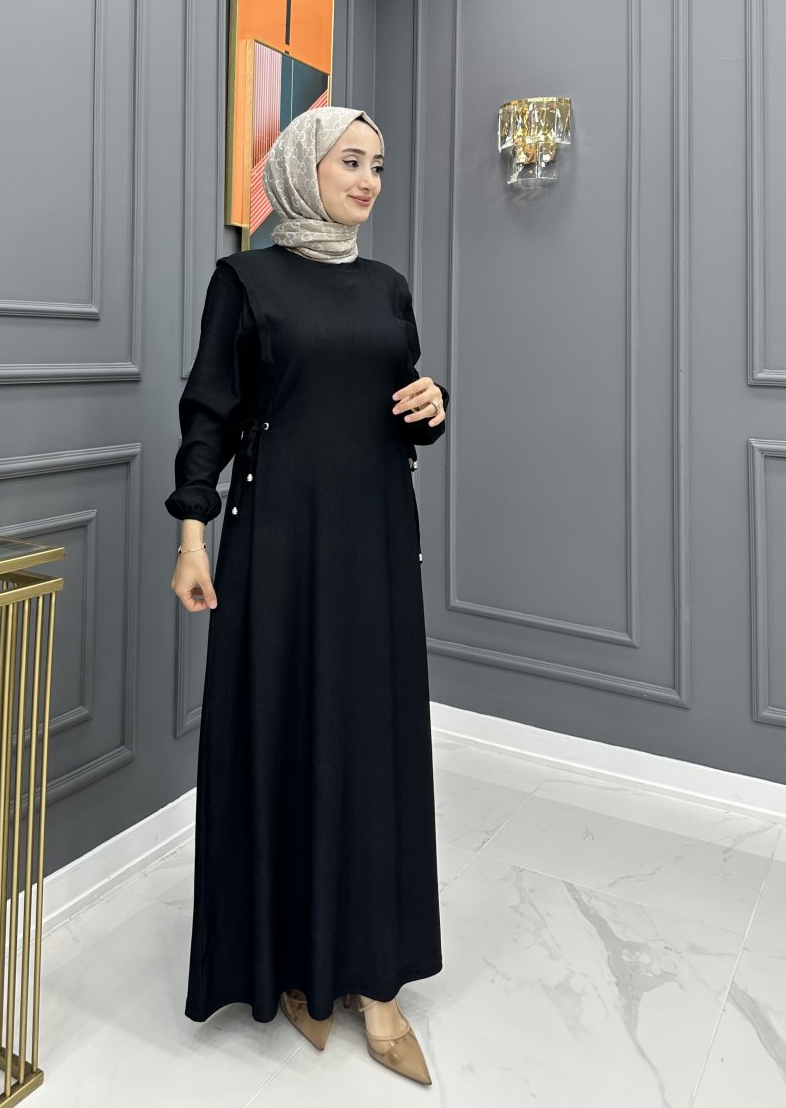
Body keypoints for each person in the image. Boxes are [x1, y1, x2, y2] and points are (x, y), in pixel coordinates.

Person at [166, 106, 448, 1086]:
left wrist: (431, 407)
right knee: (283, 735)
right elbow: (210, 410)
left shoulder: (387, 286)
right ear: (299, 170)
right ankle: (292, 963)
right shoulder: (245, 281)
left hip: (375, 541)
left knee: (370, 745)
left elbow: (398, 401)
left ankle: (376, 981)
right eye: (350, 161)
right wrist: (191, 533)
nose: (369, 180)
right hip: (277, 541)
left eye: (379, 165)